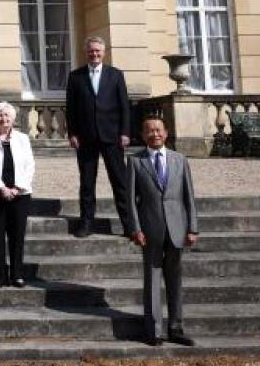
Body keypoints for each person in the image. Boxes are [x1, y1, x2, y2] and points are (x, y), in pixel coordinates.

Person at [125, 116, 199, 347]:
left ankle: (176, 328)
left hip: (177, 228)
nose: (154, 134)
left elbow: (189, 196)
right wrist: (135, 228)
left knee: (175, 280)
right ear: (143, 135)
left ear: (166, 133)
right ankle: (153, 330)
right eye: (149, 130)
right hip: (150, 229)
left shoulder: (180, 160)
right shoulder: (135, 161)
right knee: (152, 279)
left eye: (158, 130)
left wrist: (193, 228)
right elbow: (130, 200)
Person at [65, 35, 131, 237]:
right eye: (91, 51)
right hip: (85, 137)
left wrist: (125, 132)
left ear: (104, 52)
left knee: (120, 182)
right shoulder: (75, 76)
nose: (94, 54)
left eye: (97, 51)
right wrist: (72, 133)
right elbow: (71, 108)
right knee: (87, 183)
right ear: (86, 52)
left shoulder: (116, 75)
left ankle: (129, 225)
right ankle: (86, 223)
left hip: (112, 136)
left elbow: (124, 106)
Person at [0, 101, 35, 288]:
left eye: (7, 115)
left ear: (13, 118)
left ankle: (17, 274)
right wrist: (1, 188)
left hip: (20, 194)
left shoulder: (23, 138)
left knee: (17, 236)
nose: (3, 118)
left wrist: (18, 187)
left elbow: (29, 165)